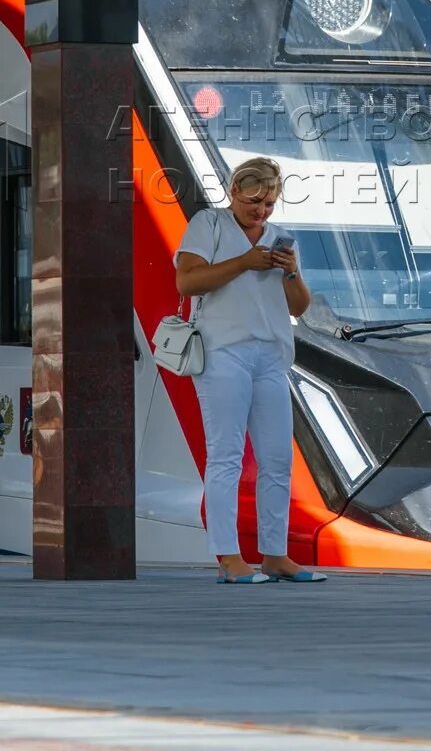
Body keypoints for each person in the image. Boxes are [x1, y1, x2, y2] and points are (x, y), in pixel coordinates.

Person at [175, 157, 328, 584]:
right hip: (224, 352)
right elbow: (186, 283)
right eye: (255, 200)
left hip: (270, 356)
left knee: (277, 460)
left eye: (269, 203)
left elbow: (298, 306)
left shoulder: (279, 239)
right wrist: (245, 262)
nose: (261, 211)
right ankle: (228, 557)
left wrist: (291, 270)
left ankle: (275, 555)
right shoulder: (209, 224)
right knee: (226, 455)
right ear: (234, 192)